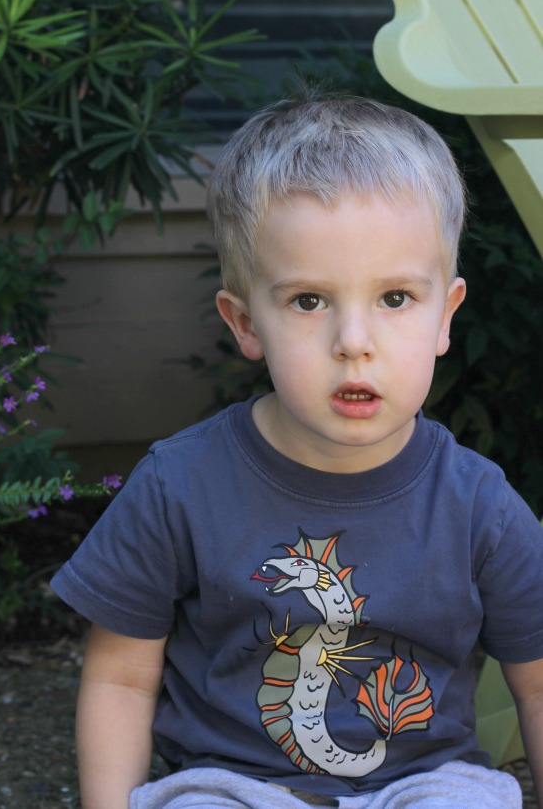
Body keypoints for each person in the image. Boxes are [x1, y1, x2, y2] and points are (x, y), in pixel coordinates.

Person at [51, 93, 543, 809]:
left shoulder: (480, 507)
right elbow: (120, 679)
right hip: (230, 785)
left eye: (395, 298)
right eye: (309, 301)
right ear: (246, 323)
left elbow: (538, 683)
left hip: (426, 784)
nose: (354, 341)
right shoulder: (178, 486)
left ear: (446, 315)